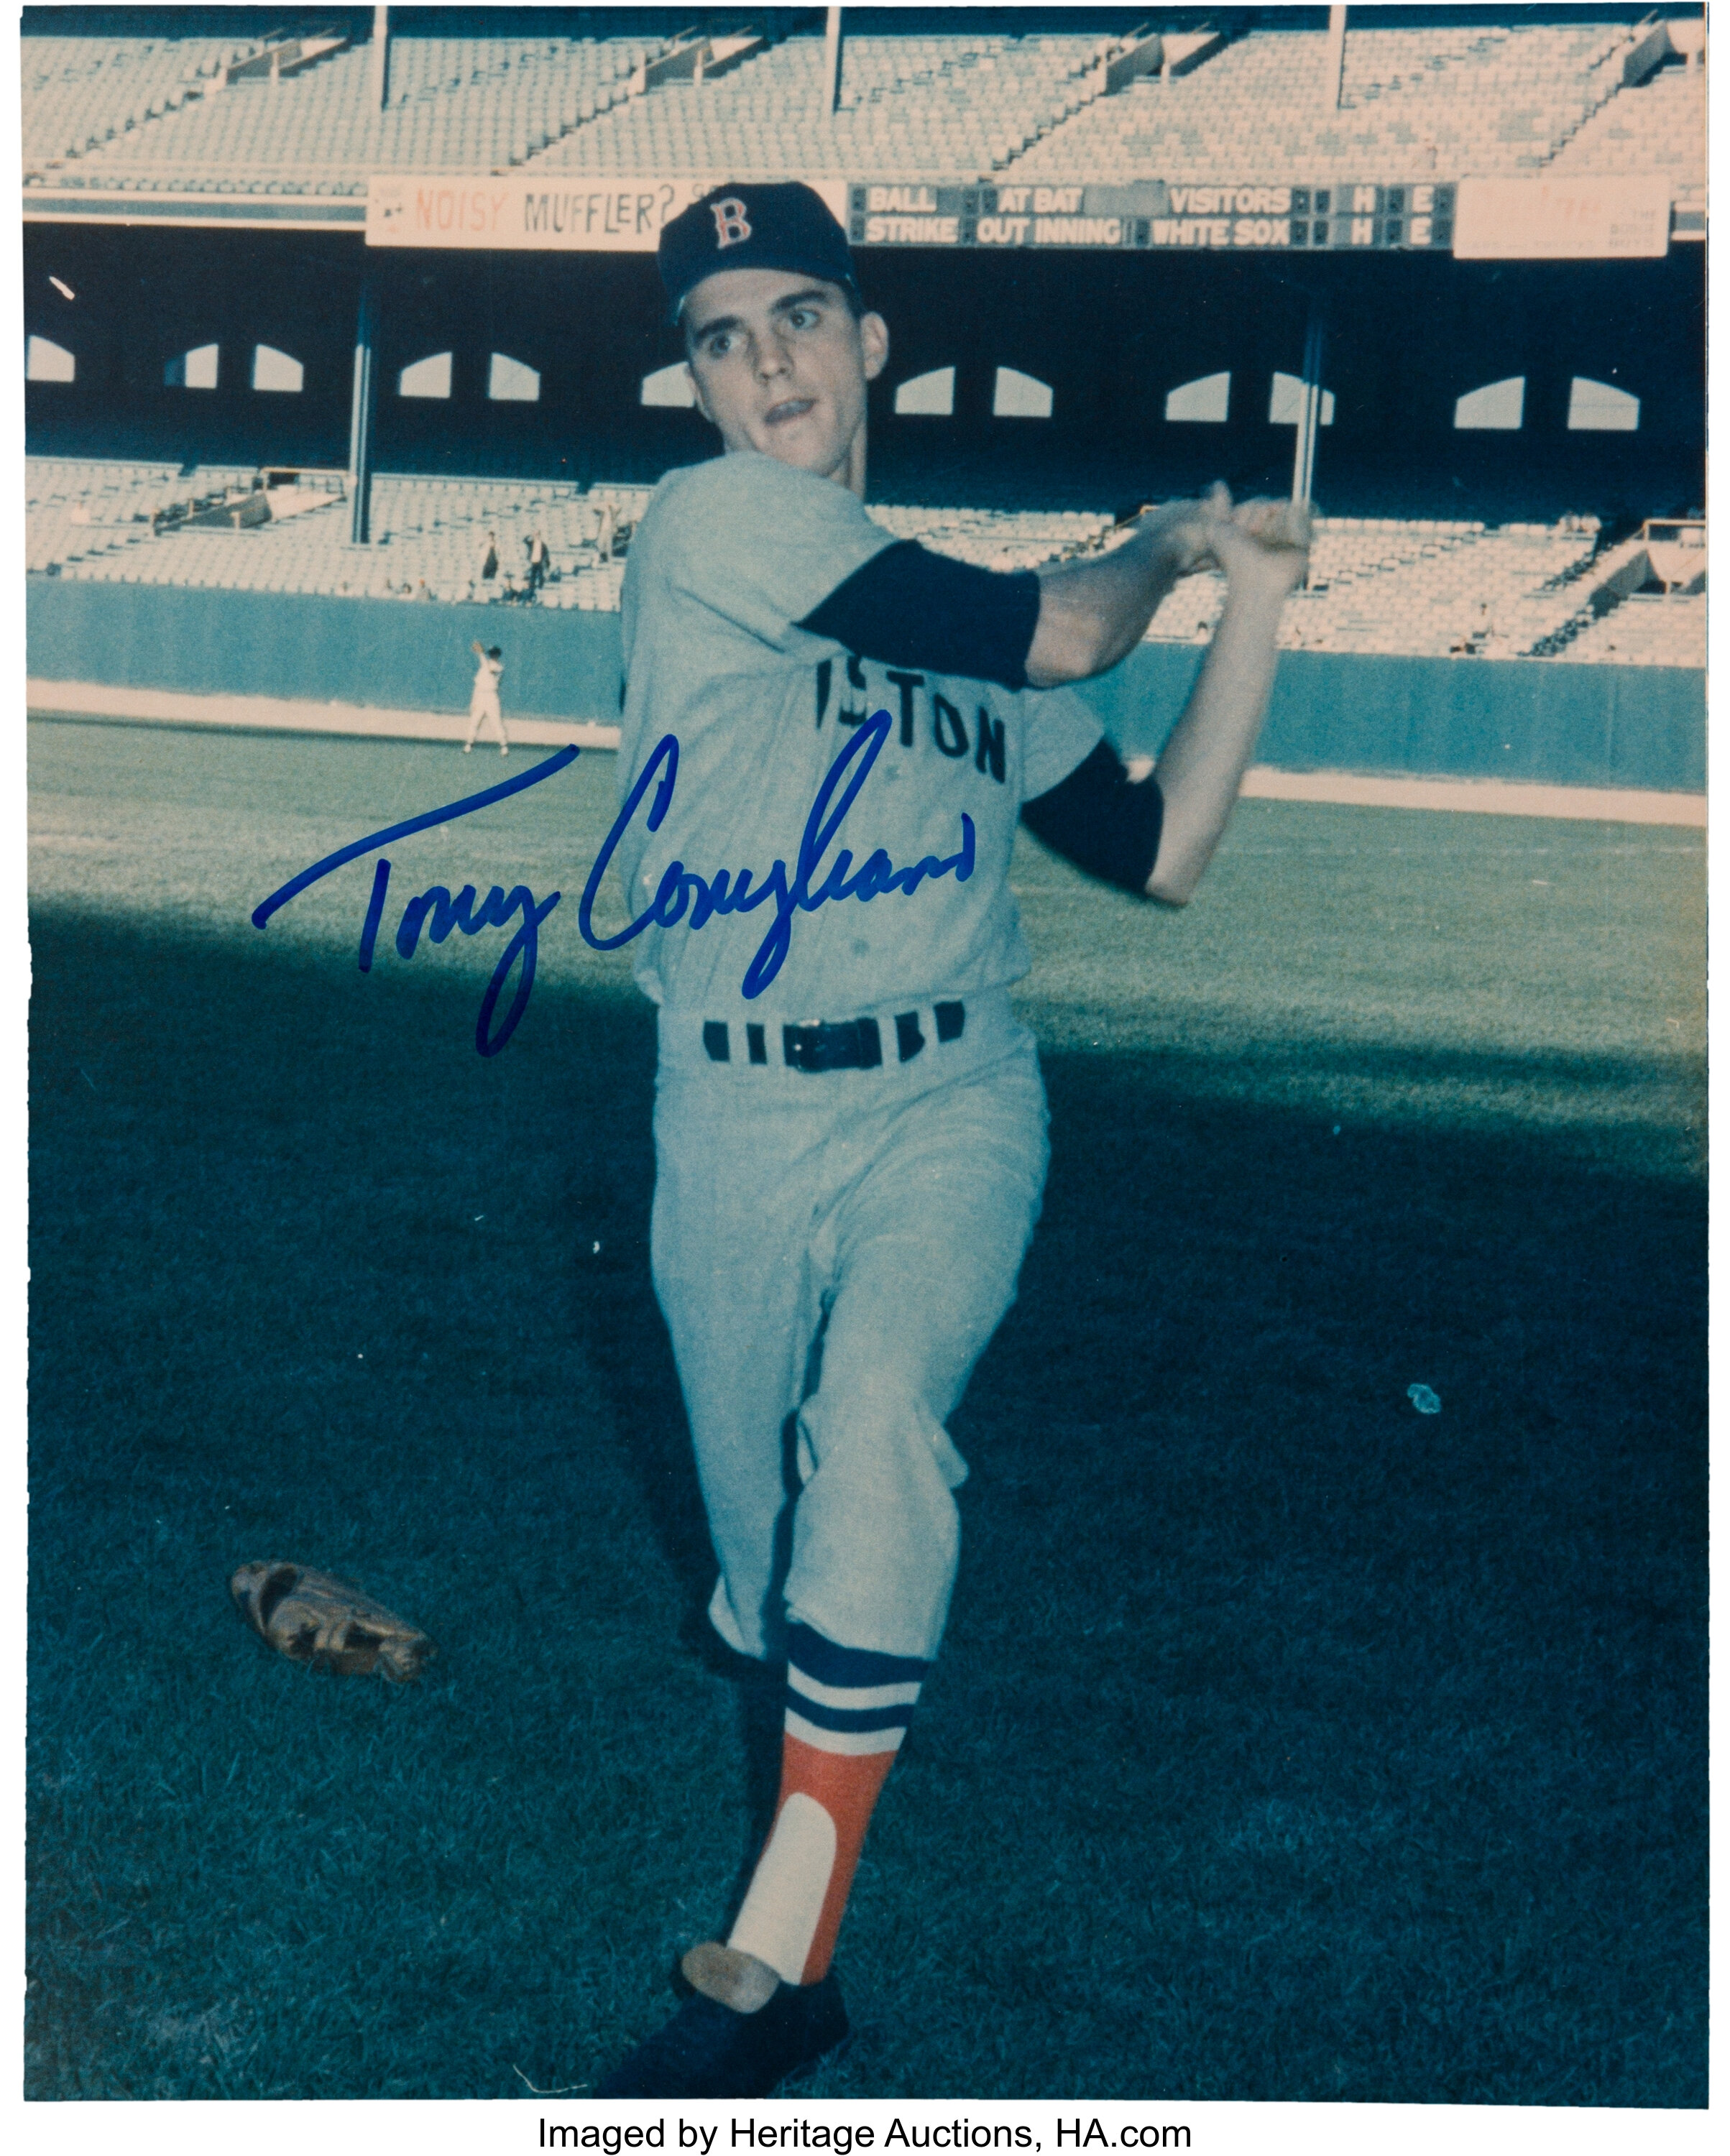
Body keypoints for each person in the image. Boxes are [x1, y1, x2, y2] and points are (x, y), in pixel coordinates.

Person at [592, 182, 1309, 2099]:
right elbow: (1065, 631)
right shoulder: (715, 523)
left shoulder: (956, 630)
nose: (765, 362)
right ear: (694, 384)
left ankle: (776, 1972)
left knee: (880, 1428)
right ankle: (789, 1646)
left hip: (950, 1098)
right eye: (720, 335)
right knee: (773, 1584)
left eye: (801, 316)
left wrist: (1249, 604)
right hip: (731, 1114)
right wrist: (1167, 539)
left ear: (869, 343)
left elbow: (1157, 853)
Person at [463, 640, 507, 754]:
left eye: (494, 654)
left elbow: (489, 669)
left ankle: (504, 746)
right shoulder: (485, 665)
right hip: (479, 695)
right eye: (490, 654)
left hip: (491, 697)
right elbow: (483, 670)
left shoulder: (499, 667)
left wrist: (481, 654)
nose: (492, 656)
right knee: (474, 721)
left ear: (498, 655)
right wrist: (480, 653)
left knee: (496, 722)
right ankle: (469, 745)